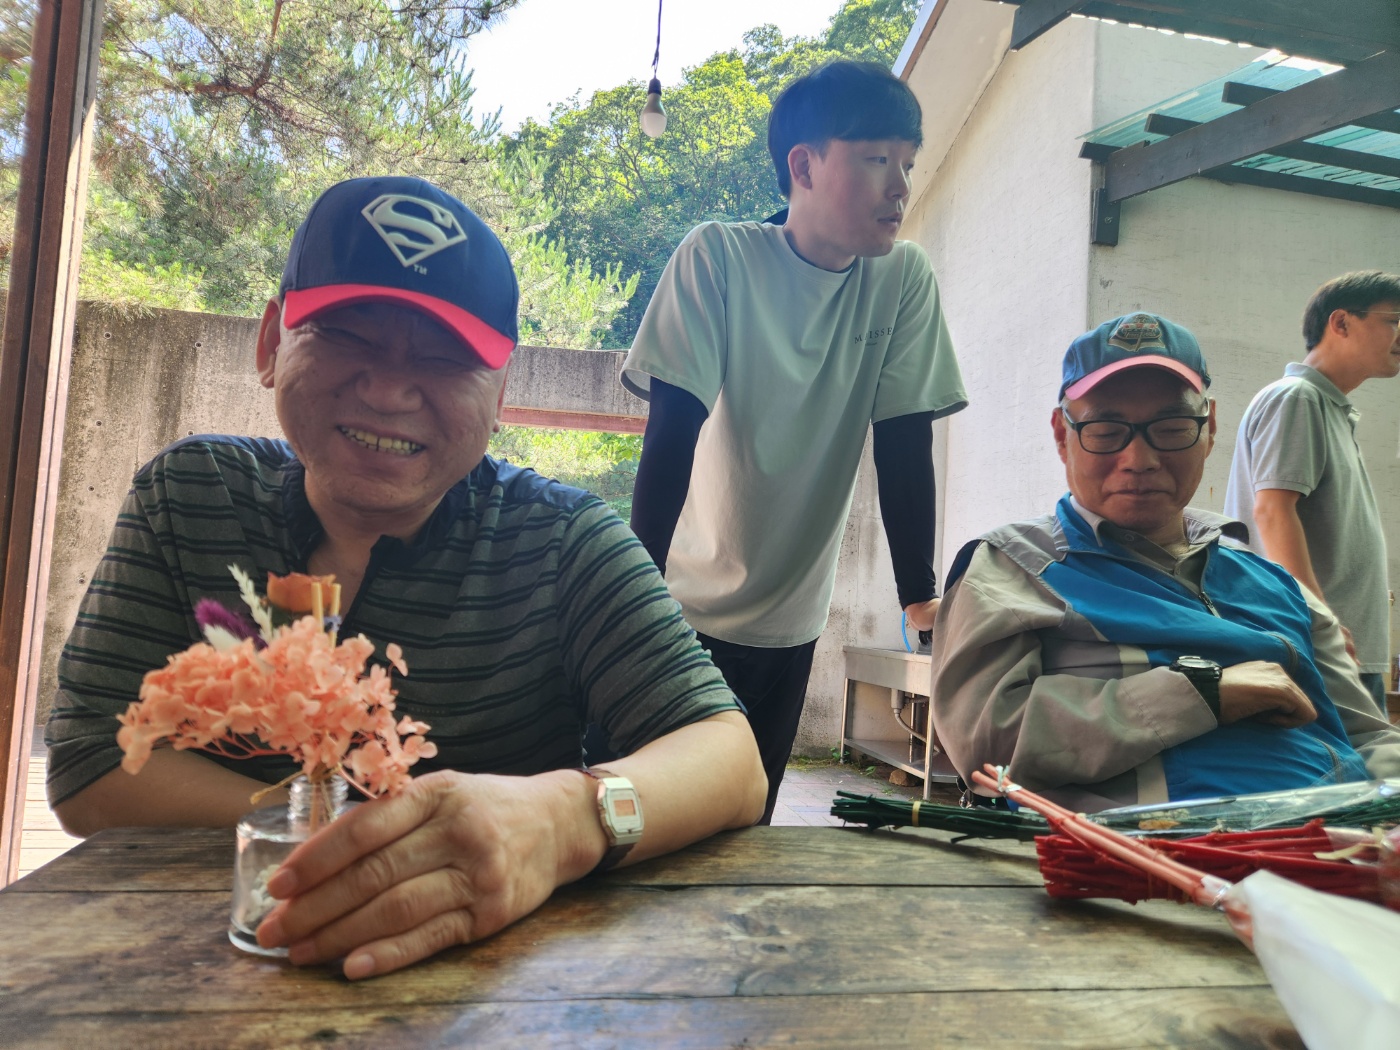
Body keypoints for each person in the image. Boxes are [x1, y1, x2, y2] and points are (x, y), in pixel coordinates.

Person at [45, 176, 766, 978]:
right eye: (346, 333)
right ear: (271, 343)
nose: (388, 389)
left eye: (445, 355)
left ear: (501, 391)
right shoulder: (191, 495)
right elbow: (91, 764)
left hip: (489, 988)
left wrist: (562, 820)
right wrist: (358, 839)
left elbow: (731, 761)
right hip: (195, 965)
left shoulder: (563, 542)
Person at [619, 61, 968, 822]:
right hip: (682, 612)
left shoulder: (901, 279)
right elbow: (671, 433)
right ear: (803, 166)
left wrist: (921, 600)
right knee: (654, 821)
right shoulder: (718, 258)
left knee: (748, 825)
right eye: (877, 159)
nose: (900, 187)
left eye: (907, 165)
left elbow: (903, 440)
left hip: (792, 626)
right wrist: (633, 599)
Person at [930, 312, 1400, 812]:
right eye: (1105, 430)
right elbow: (985, 745)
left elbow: (1368, 736)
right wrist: (1202, 694)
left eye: (1172, 428)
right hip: (1149, 851)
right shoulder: (1012, 569)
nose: (1139, 459)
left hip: (1345, 841)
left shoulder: (1277, 584)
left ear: (1210, 428)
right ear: (1062, 436)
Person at [1224, 271, 1400, 716]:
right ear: (1340, 322)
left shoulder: (1329, 407)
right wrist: (1321, 621)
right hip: (1320, 652)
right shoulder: (1298, 398)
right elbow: (1271, 511)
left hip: (1338, 651)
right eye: (1394, 320)